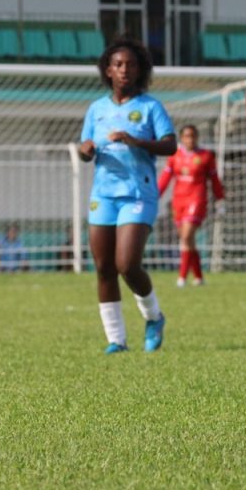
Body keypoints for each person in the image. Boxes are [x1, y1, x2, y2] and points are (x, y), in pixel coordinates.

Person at [78, 38, 176, 354]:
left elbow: (170, 145)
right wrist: (86, 150)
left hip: (138, 193)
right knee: (104, 267)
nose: (124, 70)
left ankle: (153, 317)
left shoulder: (150, 107)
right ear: (108, 70)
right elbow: (85, 151)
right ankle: (116, 340)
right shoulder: (96, 109)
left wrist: (136, 141)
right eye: (118, 64)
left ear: (140, 70)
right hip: (103, 195)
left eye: (130, 64)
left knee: (127, 264)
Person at [158, 124, 226, 287]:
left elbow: (214, 180)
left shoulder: (206, 156)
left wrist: (220, 200)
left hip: (197, 199)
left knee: (186, 237)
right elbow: (165, 179)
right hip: (178, 201)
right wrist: (154, 196)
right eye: (187, 136)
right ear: (181, 138)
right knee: (188, 241)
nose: (190, 139)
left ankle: (181, 277)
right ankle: (199, 277)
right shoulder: (174, 156)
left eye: (193, 135)